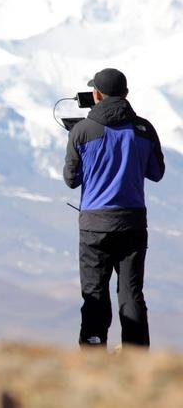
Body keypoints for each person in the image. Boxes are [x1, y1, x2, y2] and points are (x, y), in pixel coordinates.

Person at [63, 68, 165, 348]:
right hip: (132, 222)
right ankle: (136, 357)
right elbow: (156, 173)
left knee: (94, 292)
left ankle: (93, 352)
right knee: (131, 293)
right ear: (126, 95)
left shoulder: (82, 131)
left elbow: (71, 180)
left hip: (94, 225)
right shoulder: (144, 129)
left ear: (96, 95)